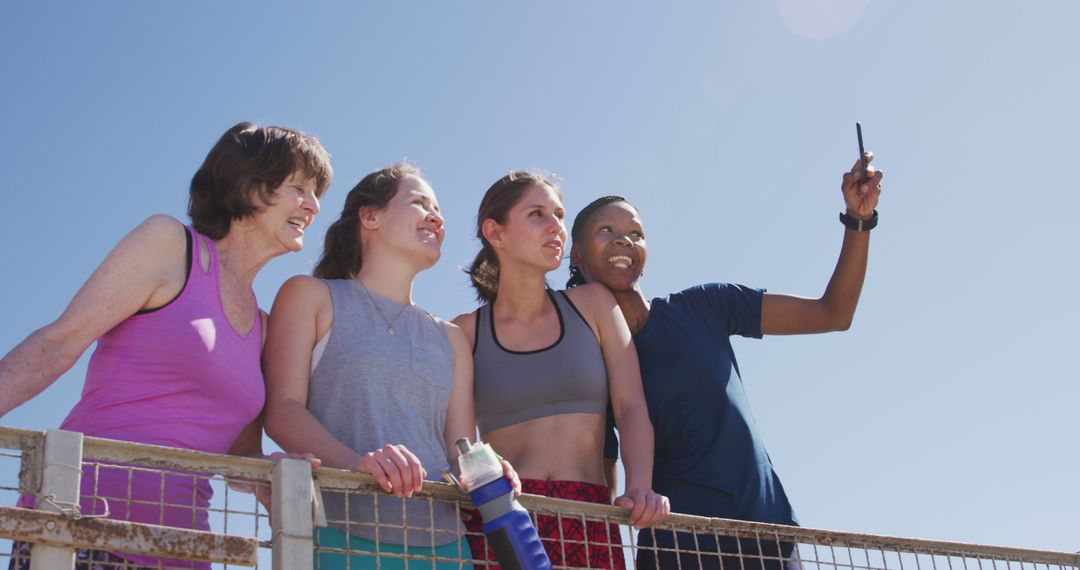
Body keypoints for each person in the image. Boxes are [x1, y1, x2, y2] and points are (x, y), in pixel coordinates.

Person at [0, 122, 332, 569]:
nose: (312, 206)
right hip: (78, 528)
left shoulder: (263, 327)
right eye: (299, 188)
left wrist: (269, 474)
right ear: (250, 185)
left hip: (180, 550)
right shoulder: (171, 246)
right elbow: (57, 345)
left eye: (316, 194)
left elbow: (239, 453)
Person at [566, 153, 885, 570]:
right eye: (606, 230)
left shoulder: (706, 305)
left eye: (636, 233)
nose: (624, 240)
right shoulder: (583, 357)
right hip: (676, 548)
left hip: (768, 536)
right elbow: (603, 471)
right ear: (575, 255)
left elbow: (833, 313)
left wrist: (859, 219)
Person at [263, 164, 517, 570]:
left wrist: (488, 467)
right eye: (419, 203)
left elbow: (461, 447)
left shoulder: (451, 338)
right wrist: (357, 465)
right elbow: (281, 410)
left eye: (438, 209)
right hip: (338, 535)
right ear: (371, 217)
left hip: (445, 548)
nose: (436, 217)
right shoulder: (309, 296)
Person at [454, 171, 670, 570]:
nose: (556, 227)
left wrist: (641, 487)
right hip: (502, 515)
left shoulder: (595, 304)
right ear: (495, 233)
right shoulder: (465, 332)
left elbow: (631, 407)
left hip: (589, 516)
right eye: (537, 214)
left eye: (559, 214)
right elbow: (462, 445)